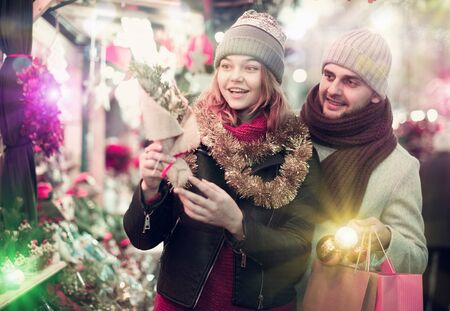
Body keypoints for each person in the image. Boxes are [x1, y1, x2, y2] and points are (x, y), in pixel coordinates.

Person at [123, 10, 321, 311]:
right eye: (226, 66)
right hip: (182, 301)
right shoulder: (189, 131)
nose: (235, 78)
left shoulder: (296, 151)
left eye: (250, 68)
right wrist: (149, 190)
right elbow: (143, 238)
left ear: (270, 76)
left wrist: (239, 225)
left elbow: (298, 250)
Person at [297, 28, 428, 306]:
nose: (333, 90)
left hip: (338, 299)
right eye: (329, 75)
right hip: (269, 299)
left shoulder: (398, 167)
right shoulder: (289, 133)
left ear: (376, 94)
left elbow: (416, 257)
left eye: (351, 82)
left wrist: (386, 239)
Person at [421, 129, 450, 311]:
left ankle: (421, 304)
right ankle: (439, 307)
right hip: (447, 233)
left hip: (425, 230)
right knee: (444, 276)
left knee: (424, 271)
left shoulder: (423, 165)